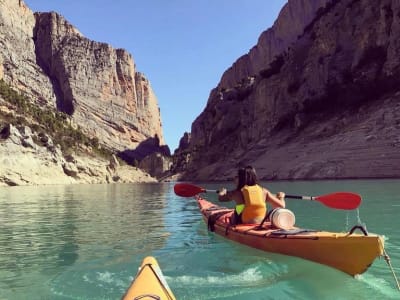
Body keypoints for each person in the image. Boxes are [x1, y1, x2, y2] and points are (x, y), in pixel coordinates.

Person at [218, 165, 285, 224]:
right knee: (241, 207)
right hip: (261, 221)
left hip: (243, 221)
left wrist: (222, 192)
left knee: (238, 208)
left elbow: (221, 199)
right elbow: (281, 205)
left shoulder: (237, 192)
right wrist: (281, 197)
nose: (234, 178)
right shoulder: (264, 191)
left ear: (241, 178)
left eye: (236, 176)